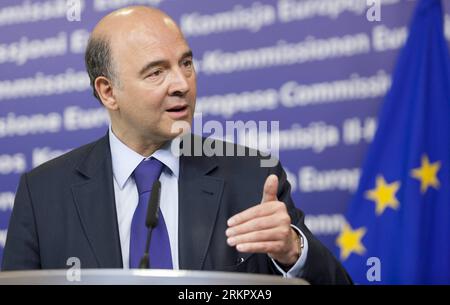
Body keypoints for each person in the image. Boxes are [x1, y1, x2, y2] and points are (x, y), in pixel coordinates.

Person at [1, 6, 352, 285]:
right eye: (156, 72)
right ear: (108, 92)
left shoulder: (252, 177)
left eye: (186, 63)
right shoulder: (44, 192)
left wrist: (293, 250)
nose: (182, 83)